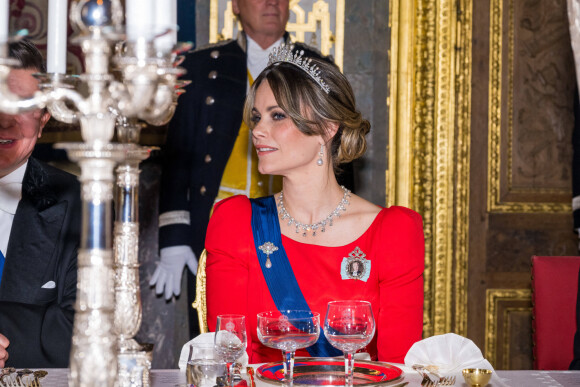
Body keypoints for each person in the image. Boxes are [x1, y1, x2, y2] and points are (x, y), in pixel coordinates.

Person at [205, 46, 425, 364]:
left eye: (277, 115)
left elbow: (398, 368)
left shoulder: (392, 232)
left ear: (326, 126)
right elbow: (230, 362)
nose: (257, 130)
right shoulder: (236, 223)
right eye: (257, 117)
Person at [151, 0, 352, 337]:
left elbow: (337, 159)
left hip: (298, 227)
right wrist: (174, 236)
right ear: (235, 6)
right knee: (220, 340)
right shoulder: (201, 66)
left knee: (296, 331)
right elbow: (178, 156)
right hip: (216, 227)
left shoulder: (316, 68)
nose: (272, 2)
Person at [0, 39, 81, 368]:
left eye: (23, 105)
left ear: (46, 116)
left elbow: (84, 331)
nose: (6, 120)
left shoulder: (81, 201)